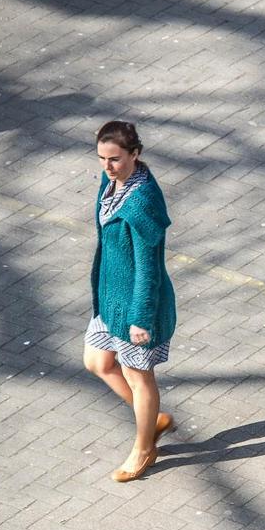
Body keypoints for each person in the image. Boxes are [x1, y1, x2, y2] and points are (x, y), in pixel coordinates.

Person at [83, 121, 177, 482]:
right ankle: (153, 421)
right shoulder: (113, 184)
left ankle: (144, 448)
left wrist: (141, 318)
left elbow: (148, 268)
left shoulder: (142, 203)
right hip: (109, 300)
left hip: (137, 308)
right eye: (102, 158)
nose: (108, 166)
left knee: (139, 377)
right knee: (97, 361)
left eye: (116, 159)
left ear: (135, 154)